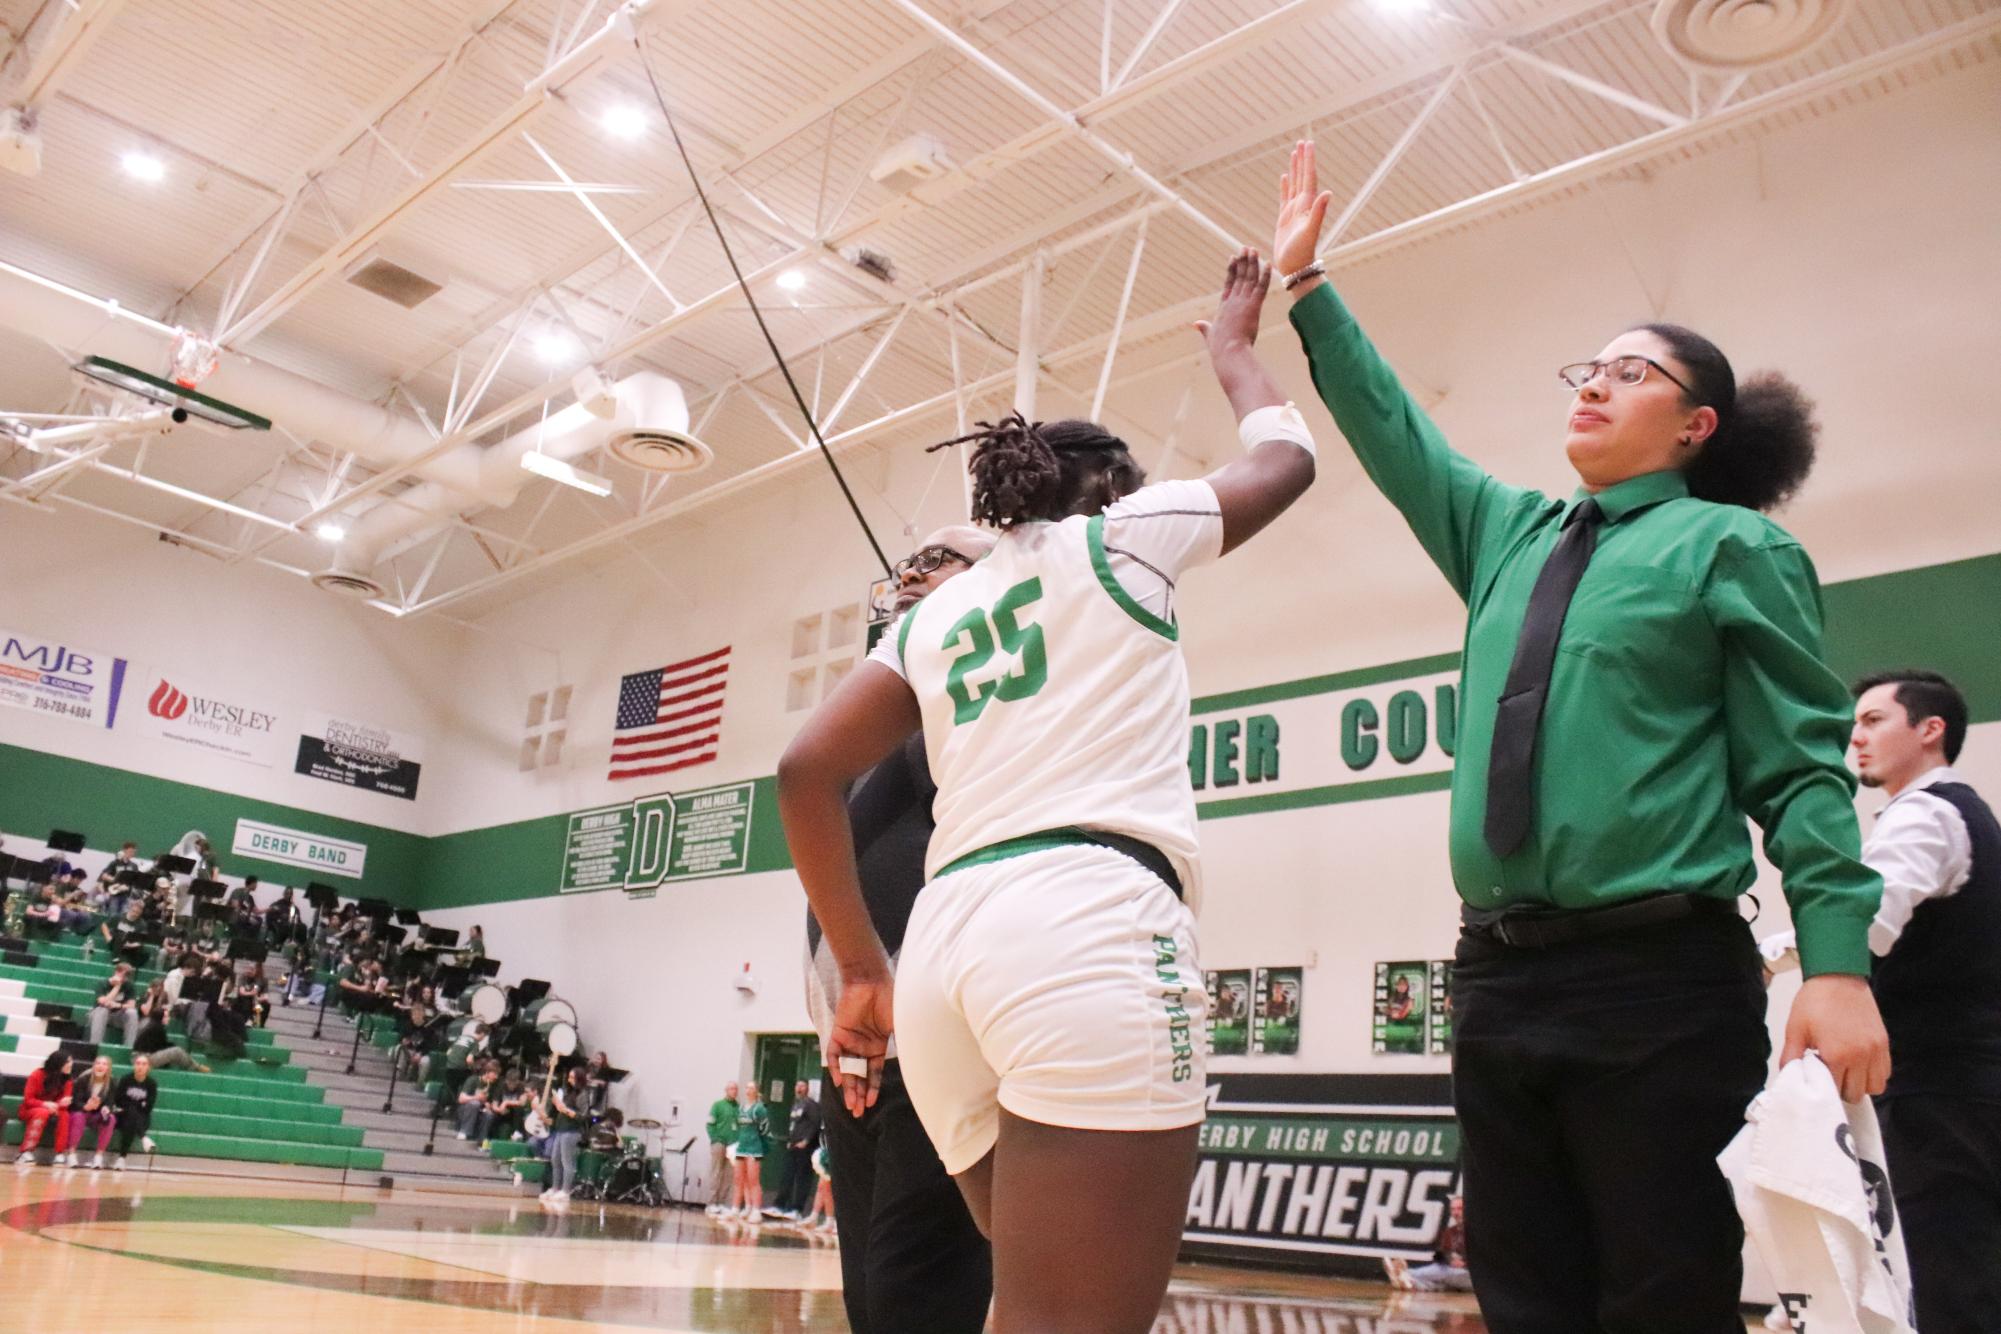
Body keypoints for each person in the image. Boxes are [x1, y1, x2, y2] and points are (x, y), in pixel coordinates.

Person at [1271, 139, 1888, 1333]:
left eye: (1632, 371)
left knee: (1659, 1295)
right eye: (1588, 366)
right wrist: (1312, 289)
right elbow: (1398, 434)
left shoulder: (1729, 547)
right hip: (1499, 973)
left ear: (1697, 424)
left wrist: (1840, 959)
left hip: (1656, 978)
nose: (1593, 384)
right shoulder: (1508, 531)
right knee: (1525, 1296)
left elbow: (1801, 761)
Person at [779, 248, 1316, 1332]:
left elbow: (803, 769)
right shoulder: (1126, 539)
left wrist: (859, 967)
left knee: (1014, 1304)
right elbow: (1288, 459)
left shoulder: (935, 613)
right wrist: (1234, 351)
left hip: (945, 952)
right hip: (1087, 926)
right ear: (1111, 490)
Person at [800, 523, 998, 1331]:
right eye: (909, 563)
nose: (911, 572)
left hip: (937, 1043)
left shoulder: (972, 708)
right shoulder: (878, 724)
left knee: (914, 1297)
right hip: (854, 1051)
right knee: (866, 1300)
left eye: (938, 560)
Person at [1759, 669, 1999, 1330]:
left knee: (1947, 1284)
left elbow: (1862, 922)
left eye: (1871, 721)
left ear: (1929, 730)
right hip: (1962, 1094)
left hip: (1938, 1099)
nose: (1854, 736)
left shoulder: (1927, 812)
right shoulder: (1962, 816)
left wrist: (1764, 958)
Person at [767, 1078, 823, 1220]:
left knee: (802, 1178)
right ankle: (779, 1205)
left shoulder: (811, 1105)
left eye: (802, 1085)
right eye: (797, 1085)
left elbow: (815, 1124)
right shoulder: (795, 1105)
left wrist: (806, 1140)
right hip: (792, 1145)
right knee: (787, 1176)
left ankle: (797, 1209)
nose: (799, 1088)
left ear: (807, 1088)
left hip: (806, 1148)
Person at [12, 1051, 74, 1166]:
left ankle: (60, 1153)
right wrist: (45, 1104)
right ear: (58, 1063)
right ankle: (25, 1152)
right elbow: (28, 1100)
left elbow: (63, 1102)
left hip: (53, 1110)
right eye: (68, 1062)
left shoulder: (67, 1080)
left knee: (64, 1114)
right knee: (42, 1112)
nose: (71, 1064)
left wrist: (61, 1103)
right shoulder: (37, 1074)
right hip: (30, 1109)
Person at [540, 1065, 588, 1210]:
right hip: (560, 1129)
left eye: (572, 1077)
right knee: (555, 1159)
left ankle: (566, 1190)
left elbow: (582, 1116)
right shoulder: (567, 1092)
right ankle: (555, 1187)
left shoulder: (582, 1095)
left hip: (572, 1131)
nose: (569, 1080)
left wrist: (565, 1110)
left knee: (567, 1161)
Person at [66, 1054, 119, 1169]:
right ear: (94, 1065)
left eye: (104, 1064)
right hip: (81, 1112)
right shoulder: (83, 1079)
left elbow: (110, 1102)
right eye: (98, 1063)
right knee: (79, 1116)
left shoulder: (112, 1082)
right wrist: (86, 1107)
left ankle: (98, 1157)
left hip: (96, 1115)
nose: (100, 1066)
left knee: (111, 1119)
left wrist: (106, 1108)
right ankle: (71, 1154)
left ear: (108, 1068)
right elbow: (75, 1101)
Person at [109, 1051, 159, 1169]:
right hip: (122, 1116)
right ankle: (143, 1138)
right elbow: (118, 1100)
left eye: (144, 1064)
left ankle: (122, 1158)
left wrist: (132, 1104)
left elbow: (148, 1107)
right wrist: (139, 1103)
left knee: (131, 1118)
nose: (140, 1066)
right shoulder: (126, 1079)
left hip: (142, 1118)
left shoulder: (151, 1084)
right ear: (134, 1065)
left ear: (148, 1067)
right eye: (138, 1063)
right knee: (130, 1113)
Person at [731, 1083, 773, 1222]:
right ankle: (736, 1209)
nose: (748, 1090)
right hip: (741, 1146)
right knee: (738, 1179)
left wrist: (758, 1141)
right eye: (747, 1087)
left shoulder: (759, 1108)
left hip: (754, 1148)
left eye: (751, 1088)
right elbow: (738, 1126)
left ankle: (756, 1211)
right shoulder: (741, 1108)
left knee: (753, 1180)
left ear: (757, 1091)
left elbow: (765, 1128)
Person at [703, 1080, 740, 1216]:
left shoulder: (738, 1108)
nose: (734, 1091)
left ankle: (721, 1202)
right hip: (719, 1143)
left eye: (735, 1089)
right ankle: (711, 1203)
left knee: (728, 1175)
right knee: (716, 1172)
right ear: (726, 1090)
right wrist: (715, 1138)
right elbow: (710, 1124)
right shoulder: (717, 1105)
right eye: (731, 1089)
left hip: (733, 1145)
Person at [88, 961, 141, 1046]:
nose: (125, 978)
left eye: (127, 976)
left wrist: (119, 1005)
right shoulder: (102, 983)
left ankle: (129, 1047)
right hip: (97, 1015)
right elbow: (103, 1003)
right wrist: (117, 986)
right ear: (116, 972)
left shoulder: (130, 986)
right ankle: (95, 1046)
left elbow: (132, 1005)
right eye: (124, 975)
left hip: (117, 1016)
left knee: (132, 1012)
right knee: (102, 1010)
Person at [456, 1060, 501, 1141]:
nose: (496, 1077)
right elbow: (461, 1099)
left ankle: (481, 1139)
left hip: (481, 1110)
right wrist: (477, 1097)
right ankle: (464, 1131)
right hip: (466, 1109)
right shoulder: (473, 1080)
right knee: (474, 1103)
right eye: (494, 1074)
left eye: (497, 1075)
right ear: (487, 1072)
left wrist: (488, 1105)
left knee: (489, 1115)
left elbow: (493, 1103)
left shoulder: (494, 1085)